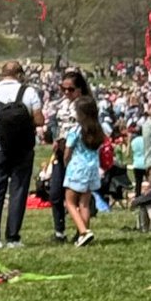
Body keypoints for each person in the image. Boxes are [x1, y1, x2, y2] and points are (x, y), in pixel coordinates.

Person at [0, 61, 44, 250]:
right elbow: (39, 120)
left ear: (2, 73)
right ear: (20, 74)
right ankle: (13, 237)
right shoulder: (29, 92)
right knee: (19, 191)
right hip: (22, 147)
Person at [48, 69, 92, 243]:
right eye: (63, 88)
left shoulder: (86, 105)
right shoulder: (61, 104)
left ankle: (82, 232)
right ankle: (59, 230)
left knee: (79, 195)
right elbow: (57, 125)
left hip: (78, 152)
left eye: (71, 89)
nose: (66, 93)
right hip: (61, 149)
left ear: (79, 89)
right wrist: (55, 138)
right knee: (55, 192)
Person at [63, 95, 106, 247]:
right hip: (92, 168)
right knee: (85, 204)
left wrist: (65, 162)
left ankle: (83, 231)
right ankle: (84, 232)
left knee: (69, 202)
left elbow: (68, 150)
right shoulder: (99, 130)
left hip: (77, 167)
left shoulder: (76, 130)